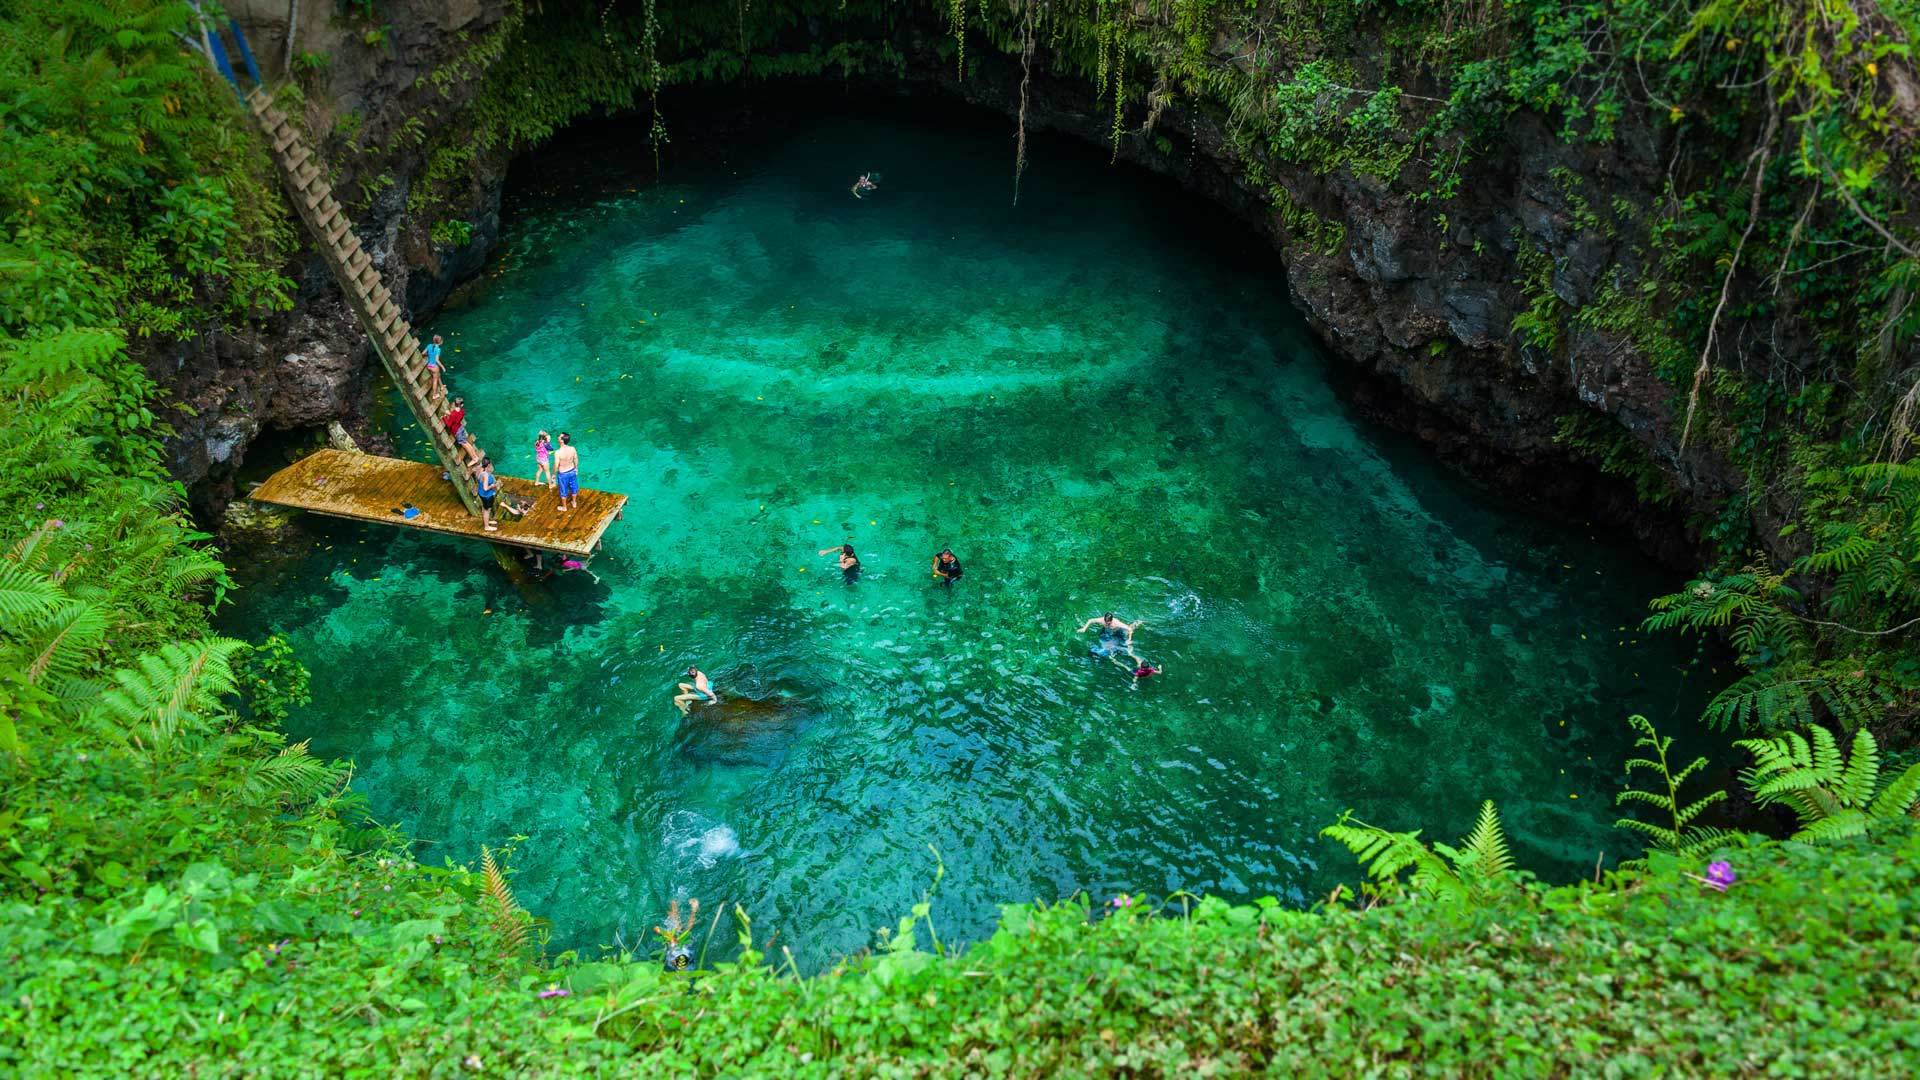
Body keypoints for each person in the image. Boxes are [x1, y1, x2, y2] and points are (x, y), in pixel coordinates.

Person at [1078, 612, 1142, 659]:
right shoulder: (1102, 620)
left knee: (1126, 632)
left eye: (1108, 622)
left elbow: (1130, 629)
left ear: (1111, 620)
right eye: (1105, 621)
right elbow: (1090, 620)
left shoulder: (1116, 623)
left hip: (1117, 632)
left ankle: (1137, 623)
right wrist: (1084, 628)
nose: (1106, 623)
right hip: (1107, 632)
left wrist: (1129, 640)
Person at [553, 432, 580, 512]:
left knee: (563, 490)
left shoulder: (558, 452)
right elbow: (576, 459)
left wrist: (553, 475)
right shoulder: (572, 448)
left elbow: (556, 465)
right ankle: (574, 502)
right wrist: (576, 468)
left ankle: (564, 507)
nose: (558, 437)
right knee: (574, 487)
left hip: (563, 474)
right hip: (572, 471)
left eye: (559, 436)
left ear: (561, 440)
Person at [474, 456, 500, 532]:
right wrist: (492, 485)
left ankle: (487, 521)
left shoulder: (479, 469)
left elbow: (478, 479)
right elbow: (485, 488)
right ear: (488, 465)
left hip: (481, 493)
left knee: (484, 508)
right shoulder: (485, 475)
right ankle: (487, 527)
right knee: (487, 510)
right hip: (487, 495)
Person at [424, 334, 448, 399]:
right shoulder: (438, 349)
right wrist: (443, 367)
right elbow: (437, 360)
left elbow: (423, 353)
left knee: (438, 375)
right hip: (434, 367)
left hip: (429, 366)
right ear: (440, 342)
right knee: (435, 381)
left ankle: (441, 386)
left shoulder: (429, 345)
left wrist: (429, 354)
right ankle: (434, 395)